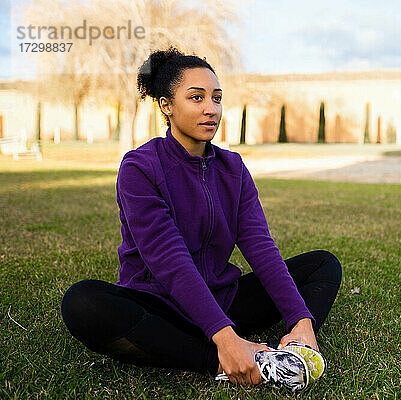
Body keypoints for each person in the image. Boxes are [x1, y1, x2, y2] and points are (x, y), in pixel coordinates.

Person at [60, 46, 342, 392]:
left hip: (223, 298)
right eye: (196, 98)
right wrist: (226, 340)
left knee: (322, 265)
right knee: (83, 302)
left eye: (217, 98)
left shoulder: (233, 168)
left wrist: (301, 320)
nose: (211, 109)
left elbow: (261, 248)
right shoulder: (140, 168)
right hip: (162, 306)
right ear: (166, 105)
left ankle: (294, 349)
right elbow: (170, 261)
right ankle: (219, 361)